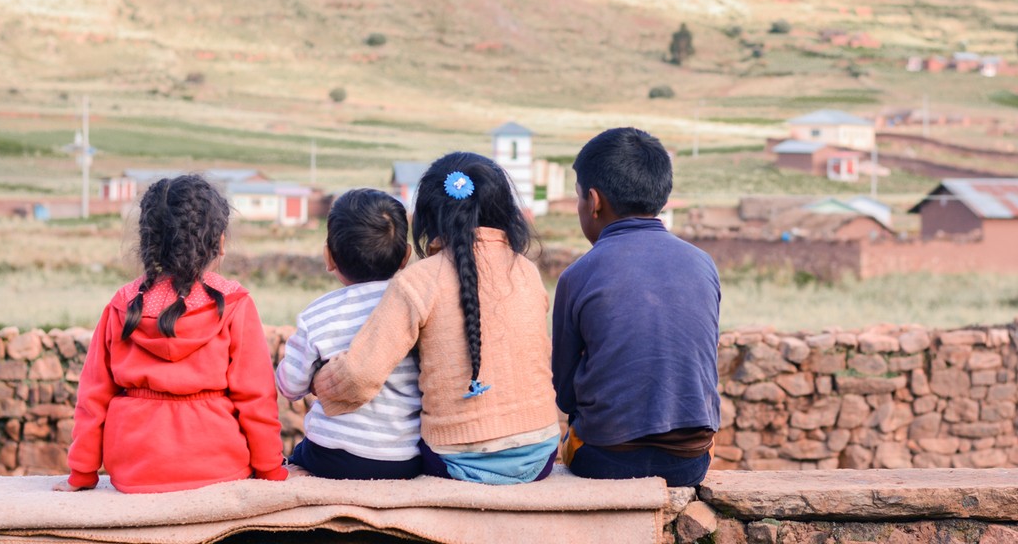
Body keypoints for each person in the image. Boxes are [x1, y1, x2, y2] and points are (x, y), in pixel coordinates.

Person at [314, 153, 558, 484]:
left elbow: (359, 375)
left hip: (457, 463)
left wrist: (321, 380)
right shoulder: (527, 271)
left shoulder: (419, 281)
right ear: (504, 210)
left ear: (428, 218)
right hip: (540, 453)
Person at [56, 175, 286, 493]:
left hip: (134, 471)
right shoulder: (235, 302)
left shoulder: (122, 304)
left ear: (148, 240)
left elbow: (92, 398)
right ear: (219, 240)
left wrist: (82, 473)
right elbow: (256, 397)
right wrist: (270, 469)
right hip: (218, 464)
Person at [552, 127, 721, 487]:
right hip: (690, 462)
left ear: (594, 201)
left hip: (603, 460)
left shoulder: (578, 274)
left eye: (579, 198)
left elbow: (564, 393)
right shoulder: (703, 263)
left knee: (569, 439)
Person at [276, 188, 425, 480]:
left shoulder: (318, 314)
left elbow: (290, 387)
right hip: (406, 457)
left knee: (294, 459)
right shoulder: (416, 308)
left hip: (333, 455)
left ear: (328, 256)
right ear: (405, 256)